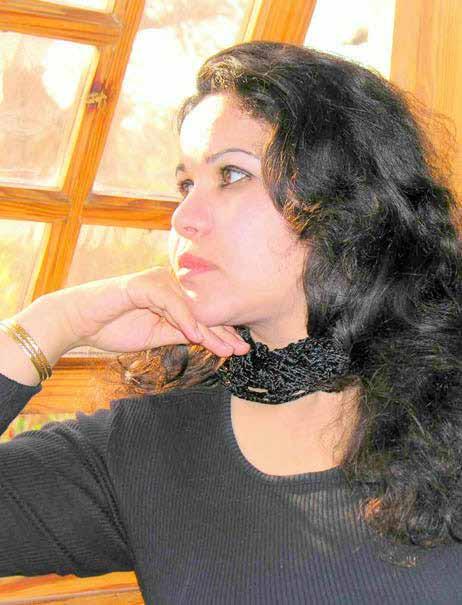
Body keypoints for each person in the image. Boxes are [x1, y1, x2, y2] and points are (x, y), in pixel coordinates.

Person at [0, 41, 461, 604]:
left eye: (233, 174)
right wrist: (52, 323)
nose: (184, 217)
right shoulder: (149, 448)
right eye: (186, 184)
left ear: (346, 202)